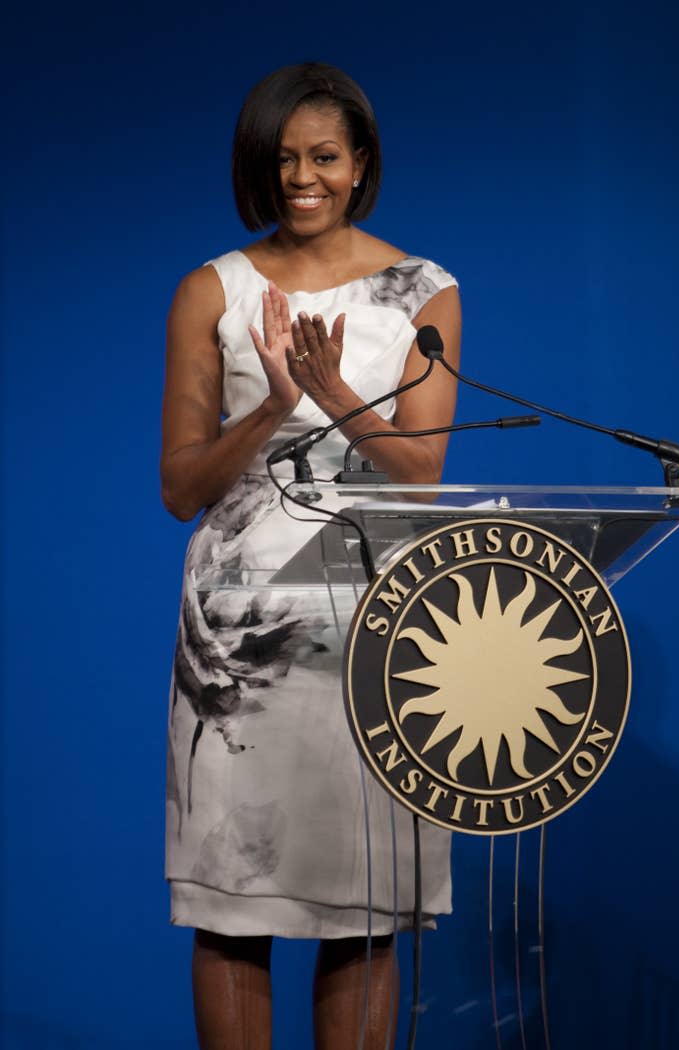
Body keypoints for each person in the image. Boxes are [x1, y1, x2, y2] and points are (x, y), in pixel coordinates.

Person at [161, 62, 462, 1050]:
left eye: (324, 156)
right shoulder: (211, 290)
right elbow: (180, 487)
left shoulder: (424, 291)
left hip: (375, 629)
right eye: (283, 159)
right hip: (241, 651)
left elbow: (418, 478)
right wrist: (275, 407)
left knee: (365, 913)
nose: (304, 177)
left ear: (359, 163)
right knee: (232, 910)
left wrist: (333, 395)